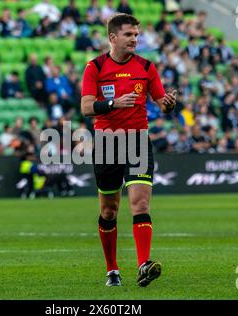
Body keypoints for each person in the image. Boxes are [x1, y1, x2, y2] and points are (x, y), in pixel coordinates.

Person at [80, 14, 176, 287]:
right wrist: (113, 103)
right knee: (109, 211)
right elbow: (86, 107)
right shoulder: (95, 67)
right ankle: (112, 269)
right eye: (129, 35)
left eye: (136, 34)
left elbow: (162, 104)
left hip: (137, 141)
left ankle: (143, 264)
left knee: (141, 203)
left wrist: (169, 103)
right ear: (113, 37)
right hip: (108, 143)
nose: (134, 39)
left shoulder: (146, 66)